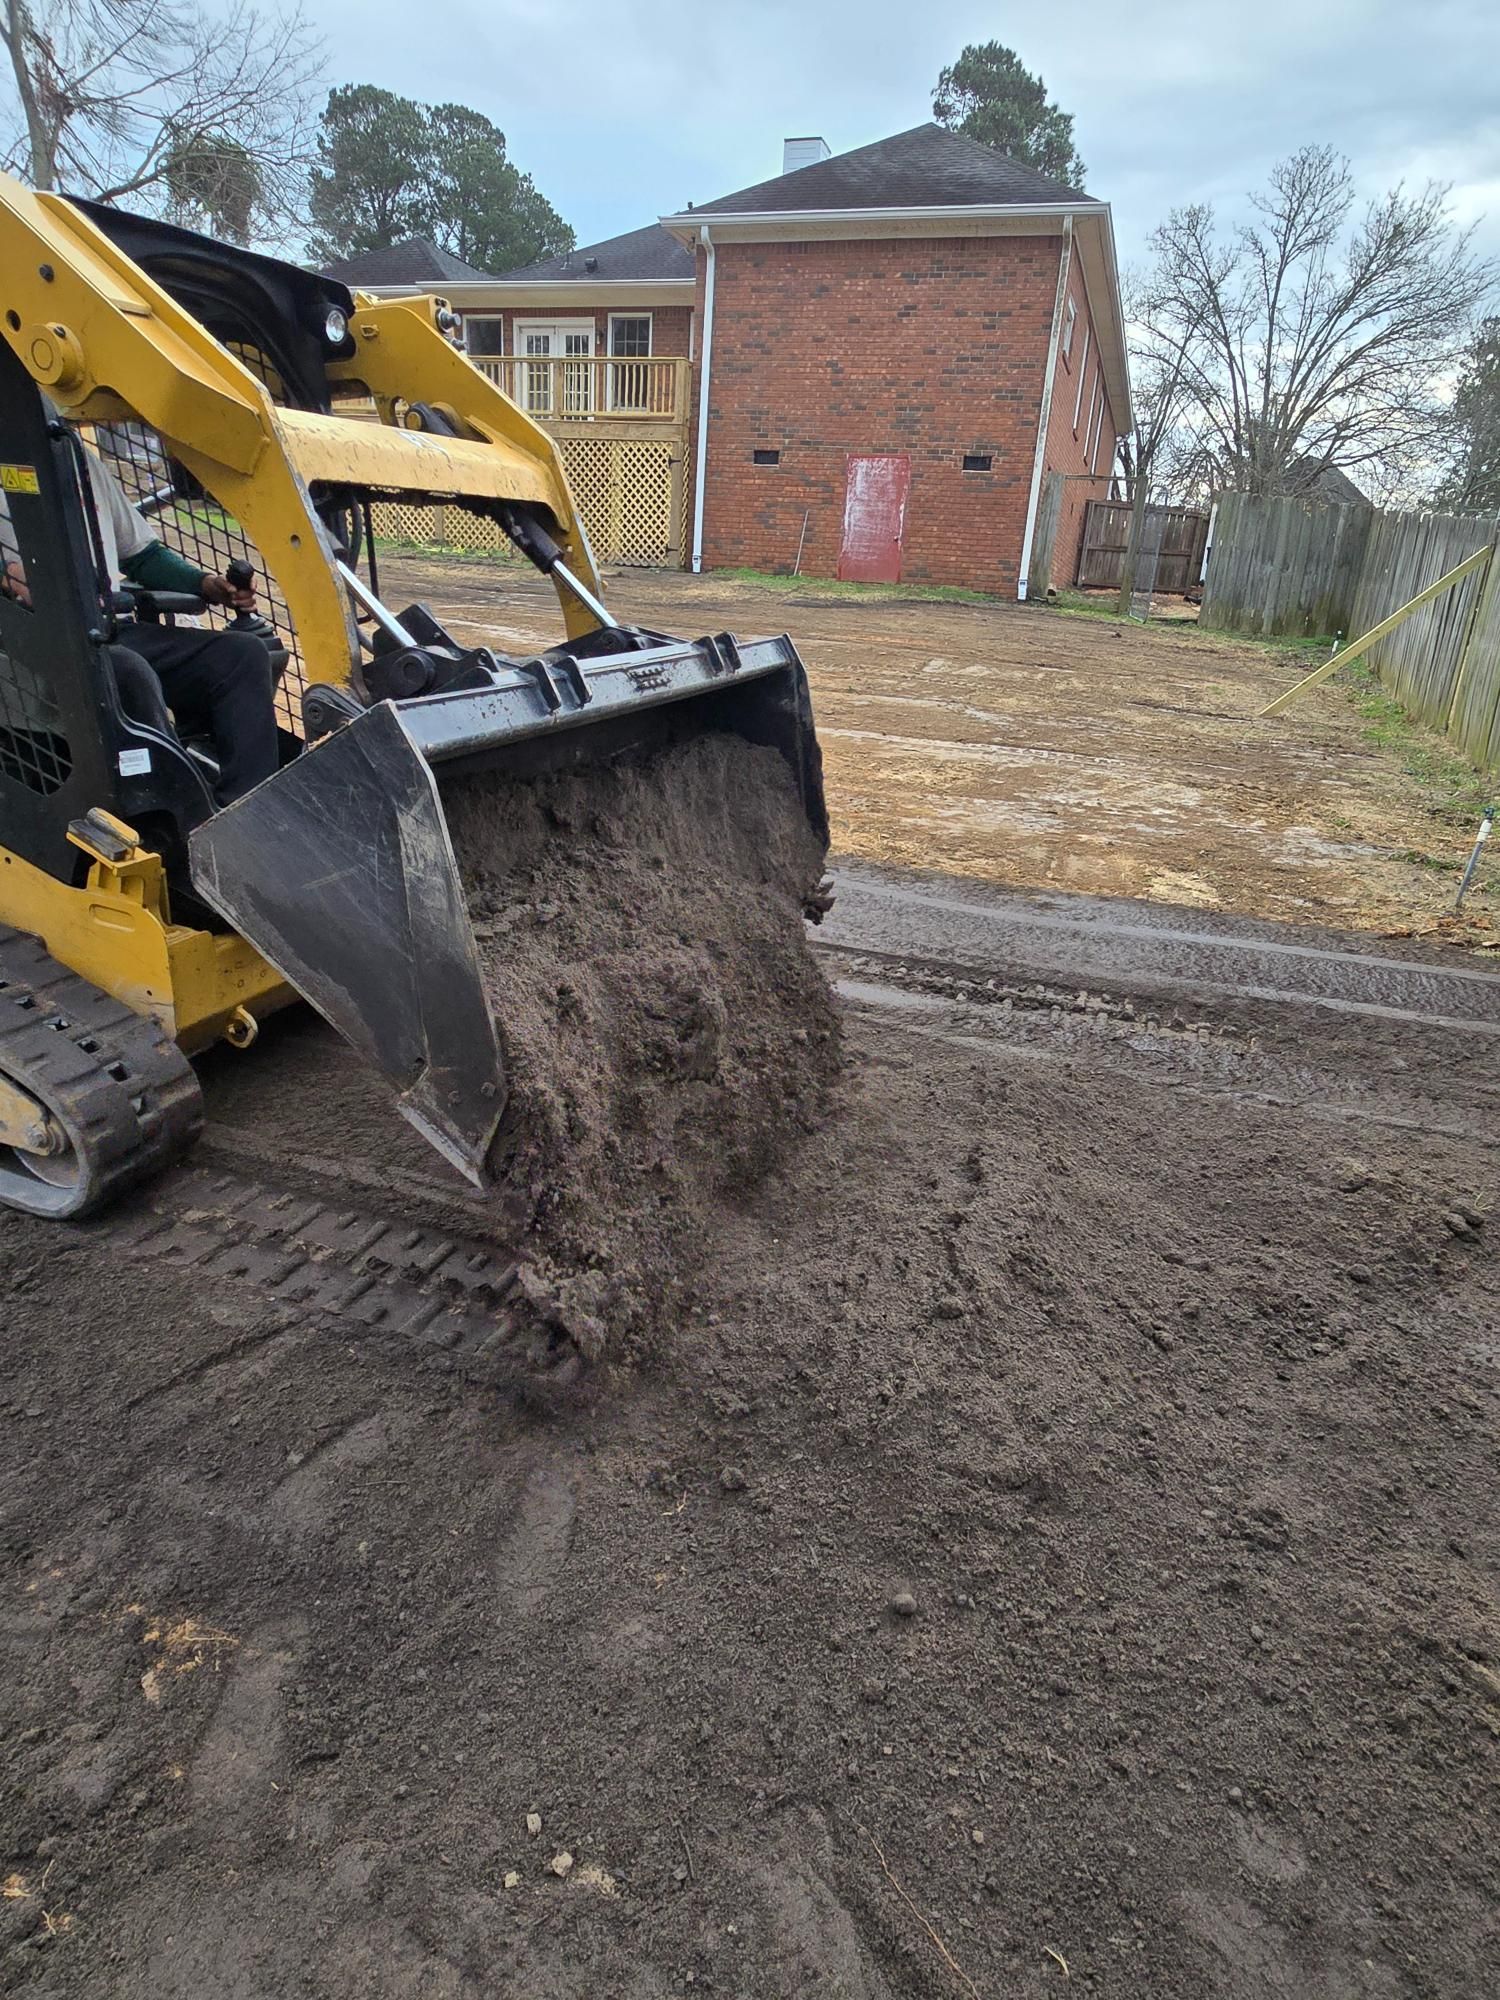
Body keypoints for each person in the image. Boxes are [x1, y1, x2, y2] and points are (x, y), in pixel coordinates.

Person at [2, 444, 280, 804]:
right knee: (126, 671)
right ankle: (173, 803)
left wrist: (206, 585)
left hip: (104, 628)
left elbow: (142, 556)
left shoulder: (72, 456)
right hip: (24, 636)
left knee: (242, 654)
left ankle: (248, 809)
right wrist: (8, 578)